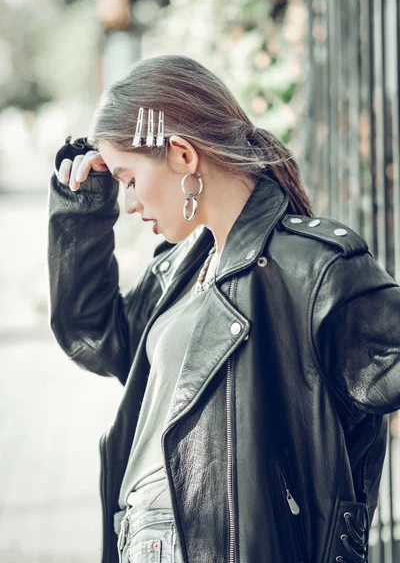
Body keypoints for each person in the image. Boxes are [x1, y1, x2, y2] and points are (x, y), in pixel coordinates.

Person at [48, 55, 400, 563]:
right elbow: (95, 335)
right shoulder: (184, 266)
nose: (127, 202)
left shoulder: (311, 268)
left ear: (184, 156)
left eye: (128, 179)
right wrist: (83, 205)